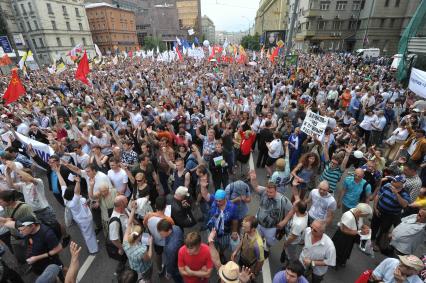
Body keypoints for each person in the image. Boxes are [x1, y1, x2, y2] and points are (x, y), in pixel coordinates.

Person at [57, 169, 98, 254]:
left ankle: (93, 243)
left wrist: (57, 172)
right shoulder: (73, 202)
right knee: (88, 235)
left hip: (81, 219)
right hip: (85, 219)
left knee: (88, 233)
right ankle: (93, 249)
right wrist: (78, 182)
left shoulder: (66, 198)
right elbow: (77, 192)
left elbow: (63, 184)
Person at [249, 170, 292, 247]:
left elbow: (292, 210)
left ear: (276, 190)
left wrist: (284, 221)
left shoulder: (283, 200)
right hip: (258, 223)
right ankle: (259, 246)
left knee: (269, 242)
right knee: (258, 238)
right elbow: (256, 187)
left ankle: (267, 248)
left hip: (271, 228)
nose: (268, 194)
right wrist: (253, 179)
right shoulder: (264, 191)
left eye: (271, 192)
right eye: (267, 191)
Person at [371, 175, 411, 251]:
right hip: (379, 210)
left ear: (401, 183)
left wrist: (396, 193)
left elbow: (405, 204)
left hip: (390, 215)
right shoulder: (387, 185)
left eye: (394, 181)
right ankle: (371, 240)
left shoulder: (405, 194)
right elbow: (378, 195)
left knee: (384, 230)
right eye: (392, 180)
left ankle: (377, 243)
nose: (392, 181)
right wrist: (375, 207)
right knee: (374, 226)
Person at [199, 183, 238, 260]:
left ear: (225, 199)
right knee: (212, 243)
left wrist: (234, 232)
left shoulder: (232, 207)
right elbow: (205, 195)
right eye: (216, 201)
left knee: (224, 245)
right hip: (212, 230)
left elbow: (235, 220)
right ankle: (213, 252)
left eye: (219, 201)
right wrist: (203, 186)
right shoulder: (214, 201)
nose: (217, 203)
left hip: (225, 233)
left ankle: (221, 253)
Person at [332, 203, 372, 268]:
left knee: (346, 250)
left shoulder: (357, 213)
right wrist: (360, 232)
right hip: (343, 237)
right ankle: (335, 263)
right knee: (339, 250)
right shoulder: (349, 217)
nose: (366, 217)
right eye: (365, 215)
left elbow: (358, 224)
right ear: (360, 212)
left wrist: (364, 226)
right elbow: (344, 230)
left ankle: (341, 261)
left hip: (350, 237)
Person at [143, 196, 174, 277]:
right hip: (166, 241)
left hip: (155, 240)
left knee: (158, 254)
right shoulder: (168, 219)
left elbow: (145, 224)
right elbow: (172, 230)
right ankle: (169, 271)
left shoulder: (148, 215)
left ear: (155, 206)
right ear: (165, 206)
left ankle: (159, 270)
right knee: (169, 255)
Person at [122, 201, 153, 282]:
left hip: (133, 267)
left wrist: (133, 210)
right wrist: (150, 244)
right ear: (139, 237)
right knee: (147, 279)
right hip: (144, 269)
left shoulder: (125, 242)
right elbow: (148, 258)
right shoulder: (142, 250)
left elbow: (129, 224)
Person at [157, 218, 184, 283]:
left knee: (178, 279)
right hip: (182, 255)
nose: (160, 235)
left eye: (162, 233)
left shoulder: (170, 248)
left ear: (169, 231)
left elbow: (170, 262)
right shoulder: (176, 228)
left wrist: (168, 273)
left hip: (176, 265)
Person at [109, 195, 129, 273]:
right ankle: (120, 273)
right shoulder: (114, 221)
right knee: (123, 260)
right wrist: (123, 248)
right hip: (125, 246)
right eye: (126, 202)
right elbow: (114, 239)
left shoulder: (124, 210)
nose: (127, 203)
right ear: (121, 204)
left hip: (129, 241)